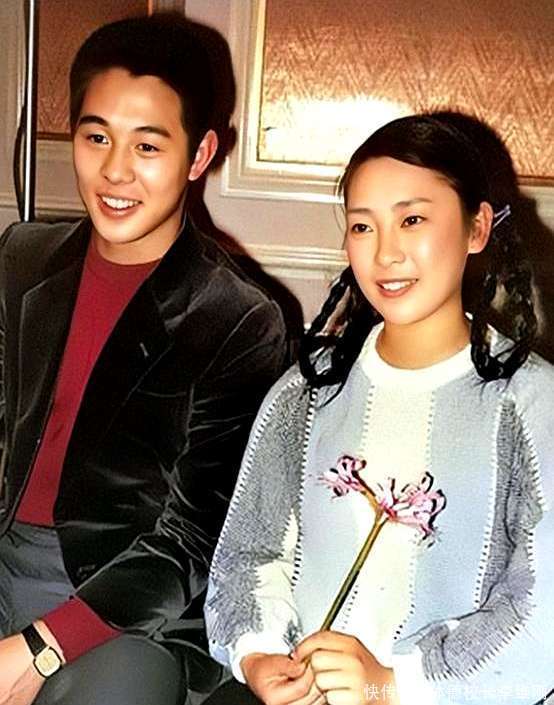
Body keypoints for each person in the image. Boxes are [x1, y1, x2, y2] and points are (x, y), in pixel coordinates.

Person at [205, 113, 554, 705]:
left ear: (477, 227)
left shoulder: (531, 404)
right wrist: (260, 655)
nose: (386, 253)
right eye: (363, 226)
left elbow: (540, 607)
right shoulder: (307, 391)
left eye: (412, 220)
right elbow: (249, 551)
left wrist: (392, 684)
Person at [0, 12, 287, 705]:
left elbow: (193, 538)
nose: (115, 170)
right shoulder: (20, 258)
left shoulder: (239, 319)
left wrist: (40, 646)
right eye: (97, 136)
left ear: (200, 154)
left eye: (148, 146)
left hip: (131, 608)